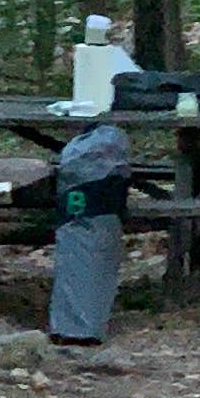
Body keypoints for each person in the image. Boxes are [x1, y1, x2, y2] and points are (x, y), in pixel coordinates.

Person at [45, 119, 136, 346]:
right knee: (88, 242)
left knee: (82, 241)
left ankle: (72, 326)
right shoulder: (110, 147)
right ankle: (80, 326)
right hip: (98, 210)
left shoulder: (81, 152)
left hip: (87, 211)